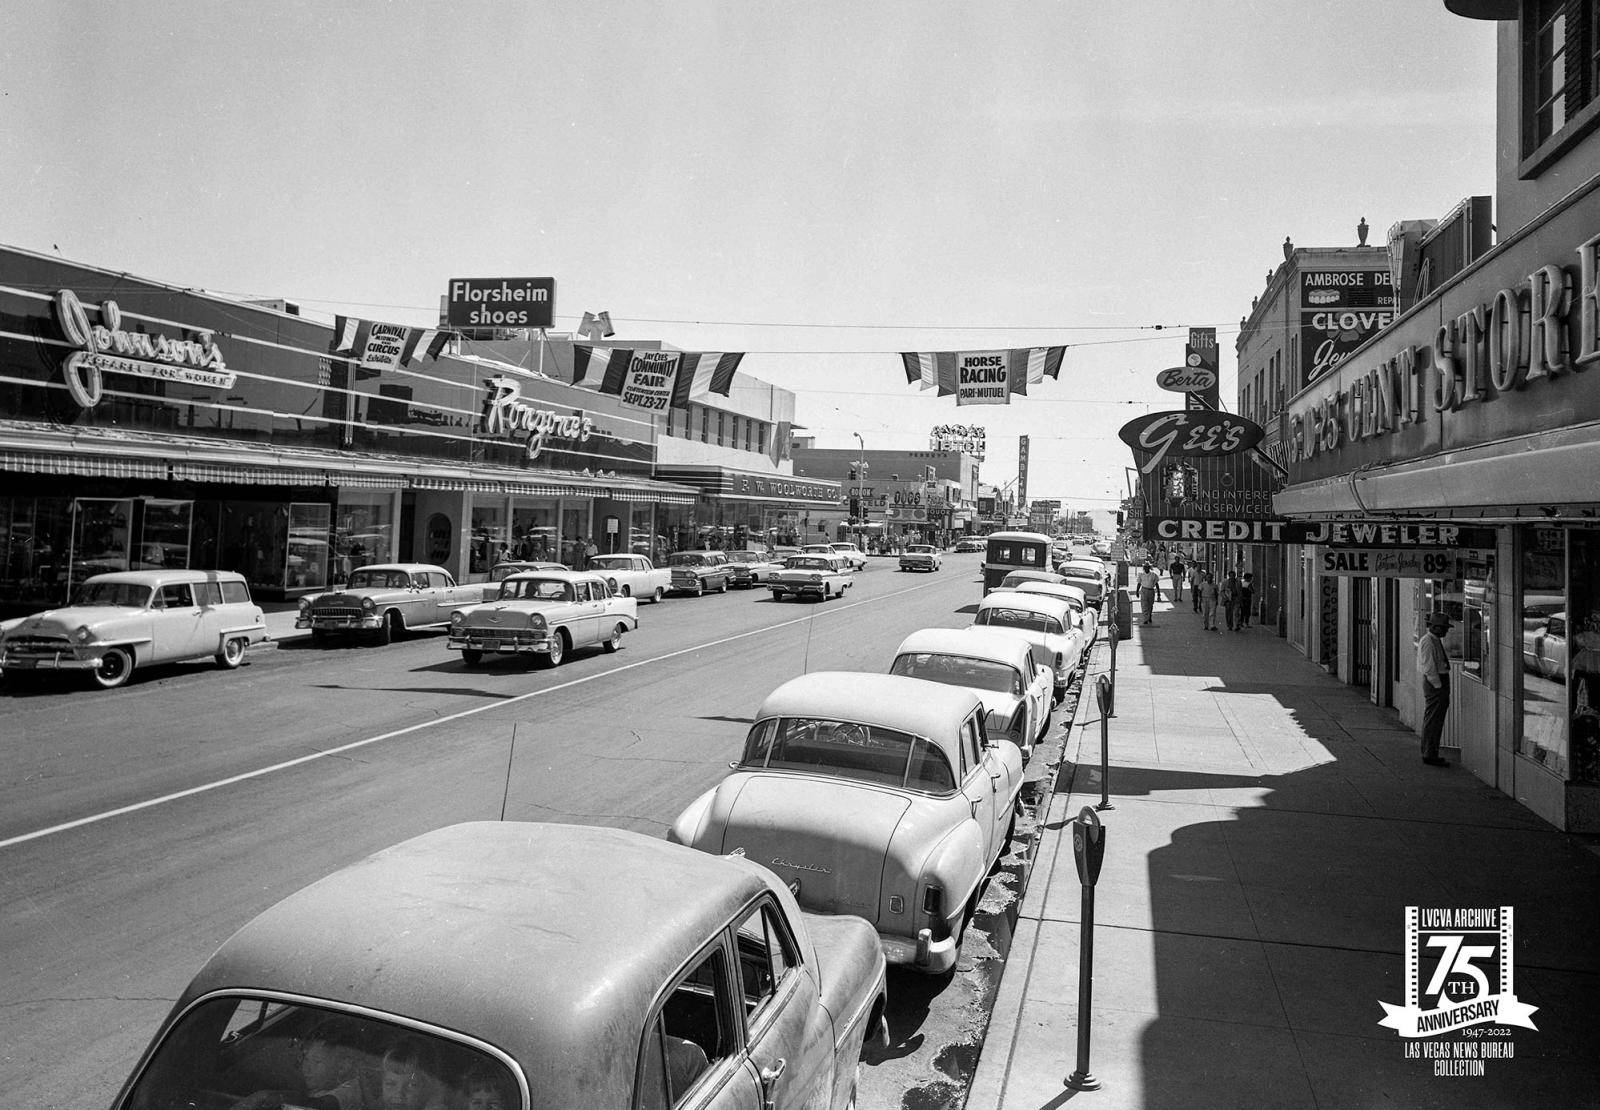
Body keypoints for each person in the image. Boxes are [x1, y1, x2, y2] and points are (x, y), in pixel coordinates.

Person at [232, 1019, 365, 1110]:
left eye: (317, 1062)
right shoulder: (322, 1087)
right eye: (306, 1059)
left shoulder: (352, 1089)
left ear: (343, 1067)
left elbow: (321, 1105)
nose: (306, 1067)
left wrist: (274, 1097)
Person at [1417, 609, 1453, 766]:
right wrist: (1438, 687)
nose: (1445, 631)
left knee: (1435, 719)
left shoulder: (1434, 640)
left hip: (1438, 681)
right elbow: (1429, 667)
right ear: (1435, 627)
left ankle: (1430, 750)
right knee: (1433, 719)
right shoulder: (1427, 641)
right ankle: (1429, 753)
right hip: (1435, 683)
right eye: (1444, 628)